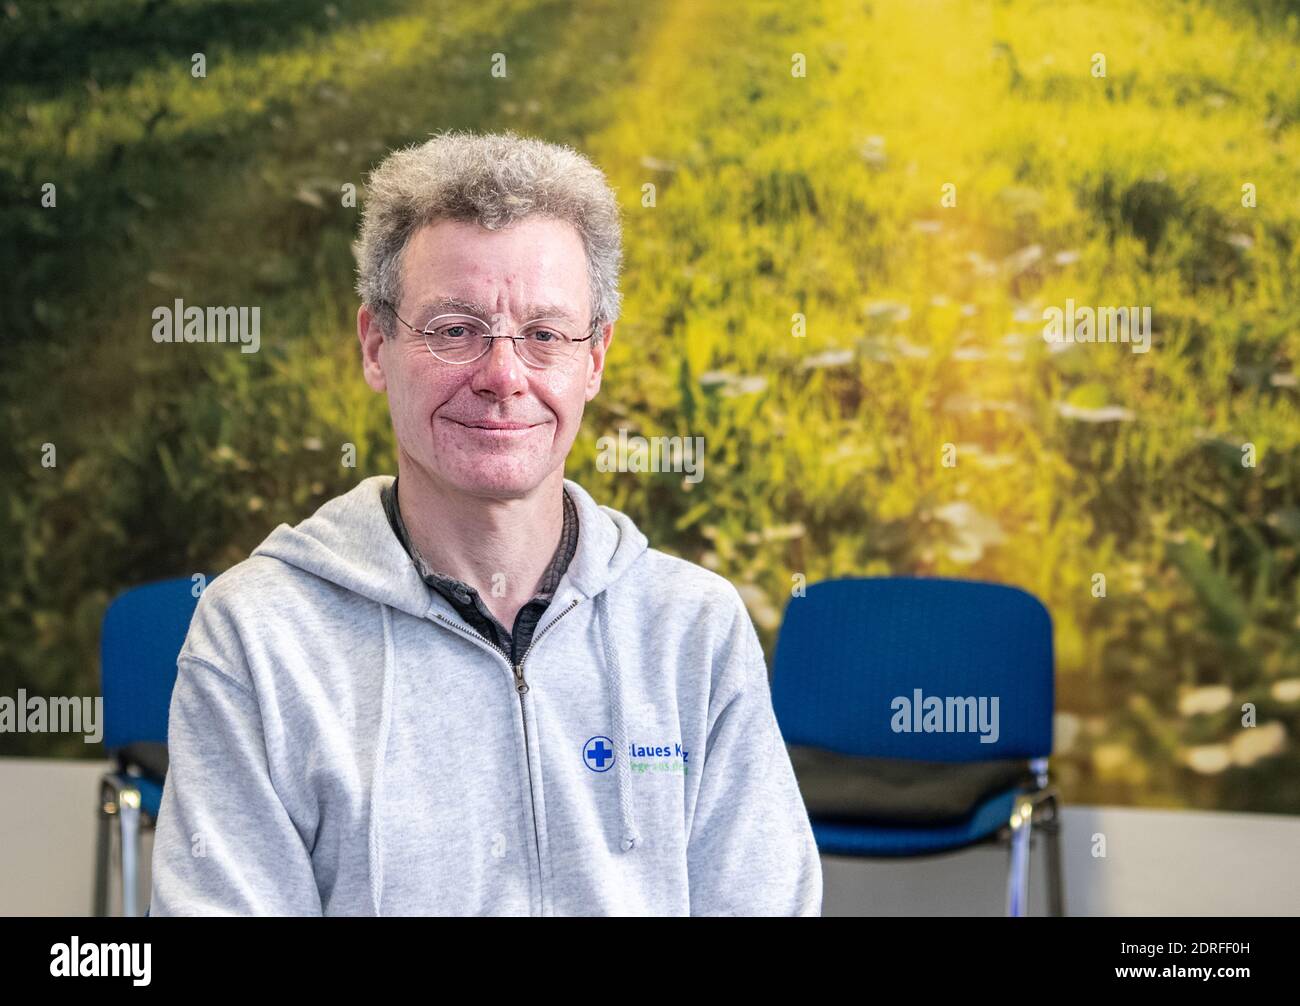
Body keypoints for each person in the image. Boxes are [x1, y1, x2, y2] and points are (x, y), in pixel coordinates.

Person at [149, 129, 822, 916]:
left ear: (595, 358)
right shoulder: (259, 637)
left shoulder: (692, 631)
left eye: (544, 335)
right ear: (375, 345)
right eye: (454, 330)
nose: (502, 376)